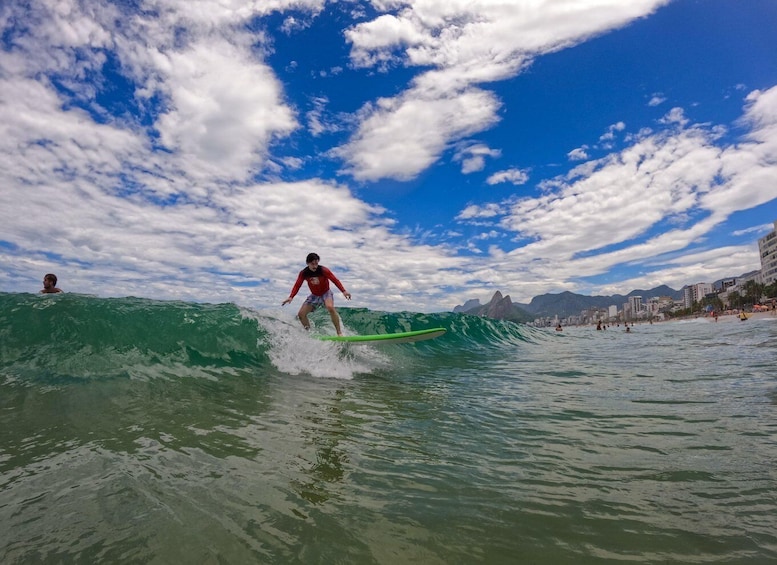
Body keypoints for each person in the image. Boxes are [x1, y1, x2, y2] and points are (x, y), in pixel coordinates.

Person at [282, 253, 351, 335]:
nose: (315, 266)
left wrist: (344, 291)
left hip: (326, 293)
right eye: (312, 264)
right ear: (307, 263)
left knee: (330, 307)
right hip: (314, 295)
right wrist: (291, 297)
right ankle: (310, 333)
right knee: (301, 314)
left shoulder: (323, 270)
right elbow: (297, 285)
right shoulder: (304, 273)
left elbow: (335, 280)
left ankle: (339, 333)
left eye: (316, 263)